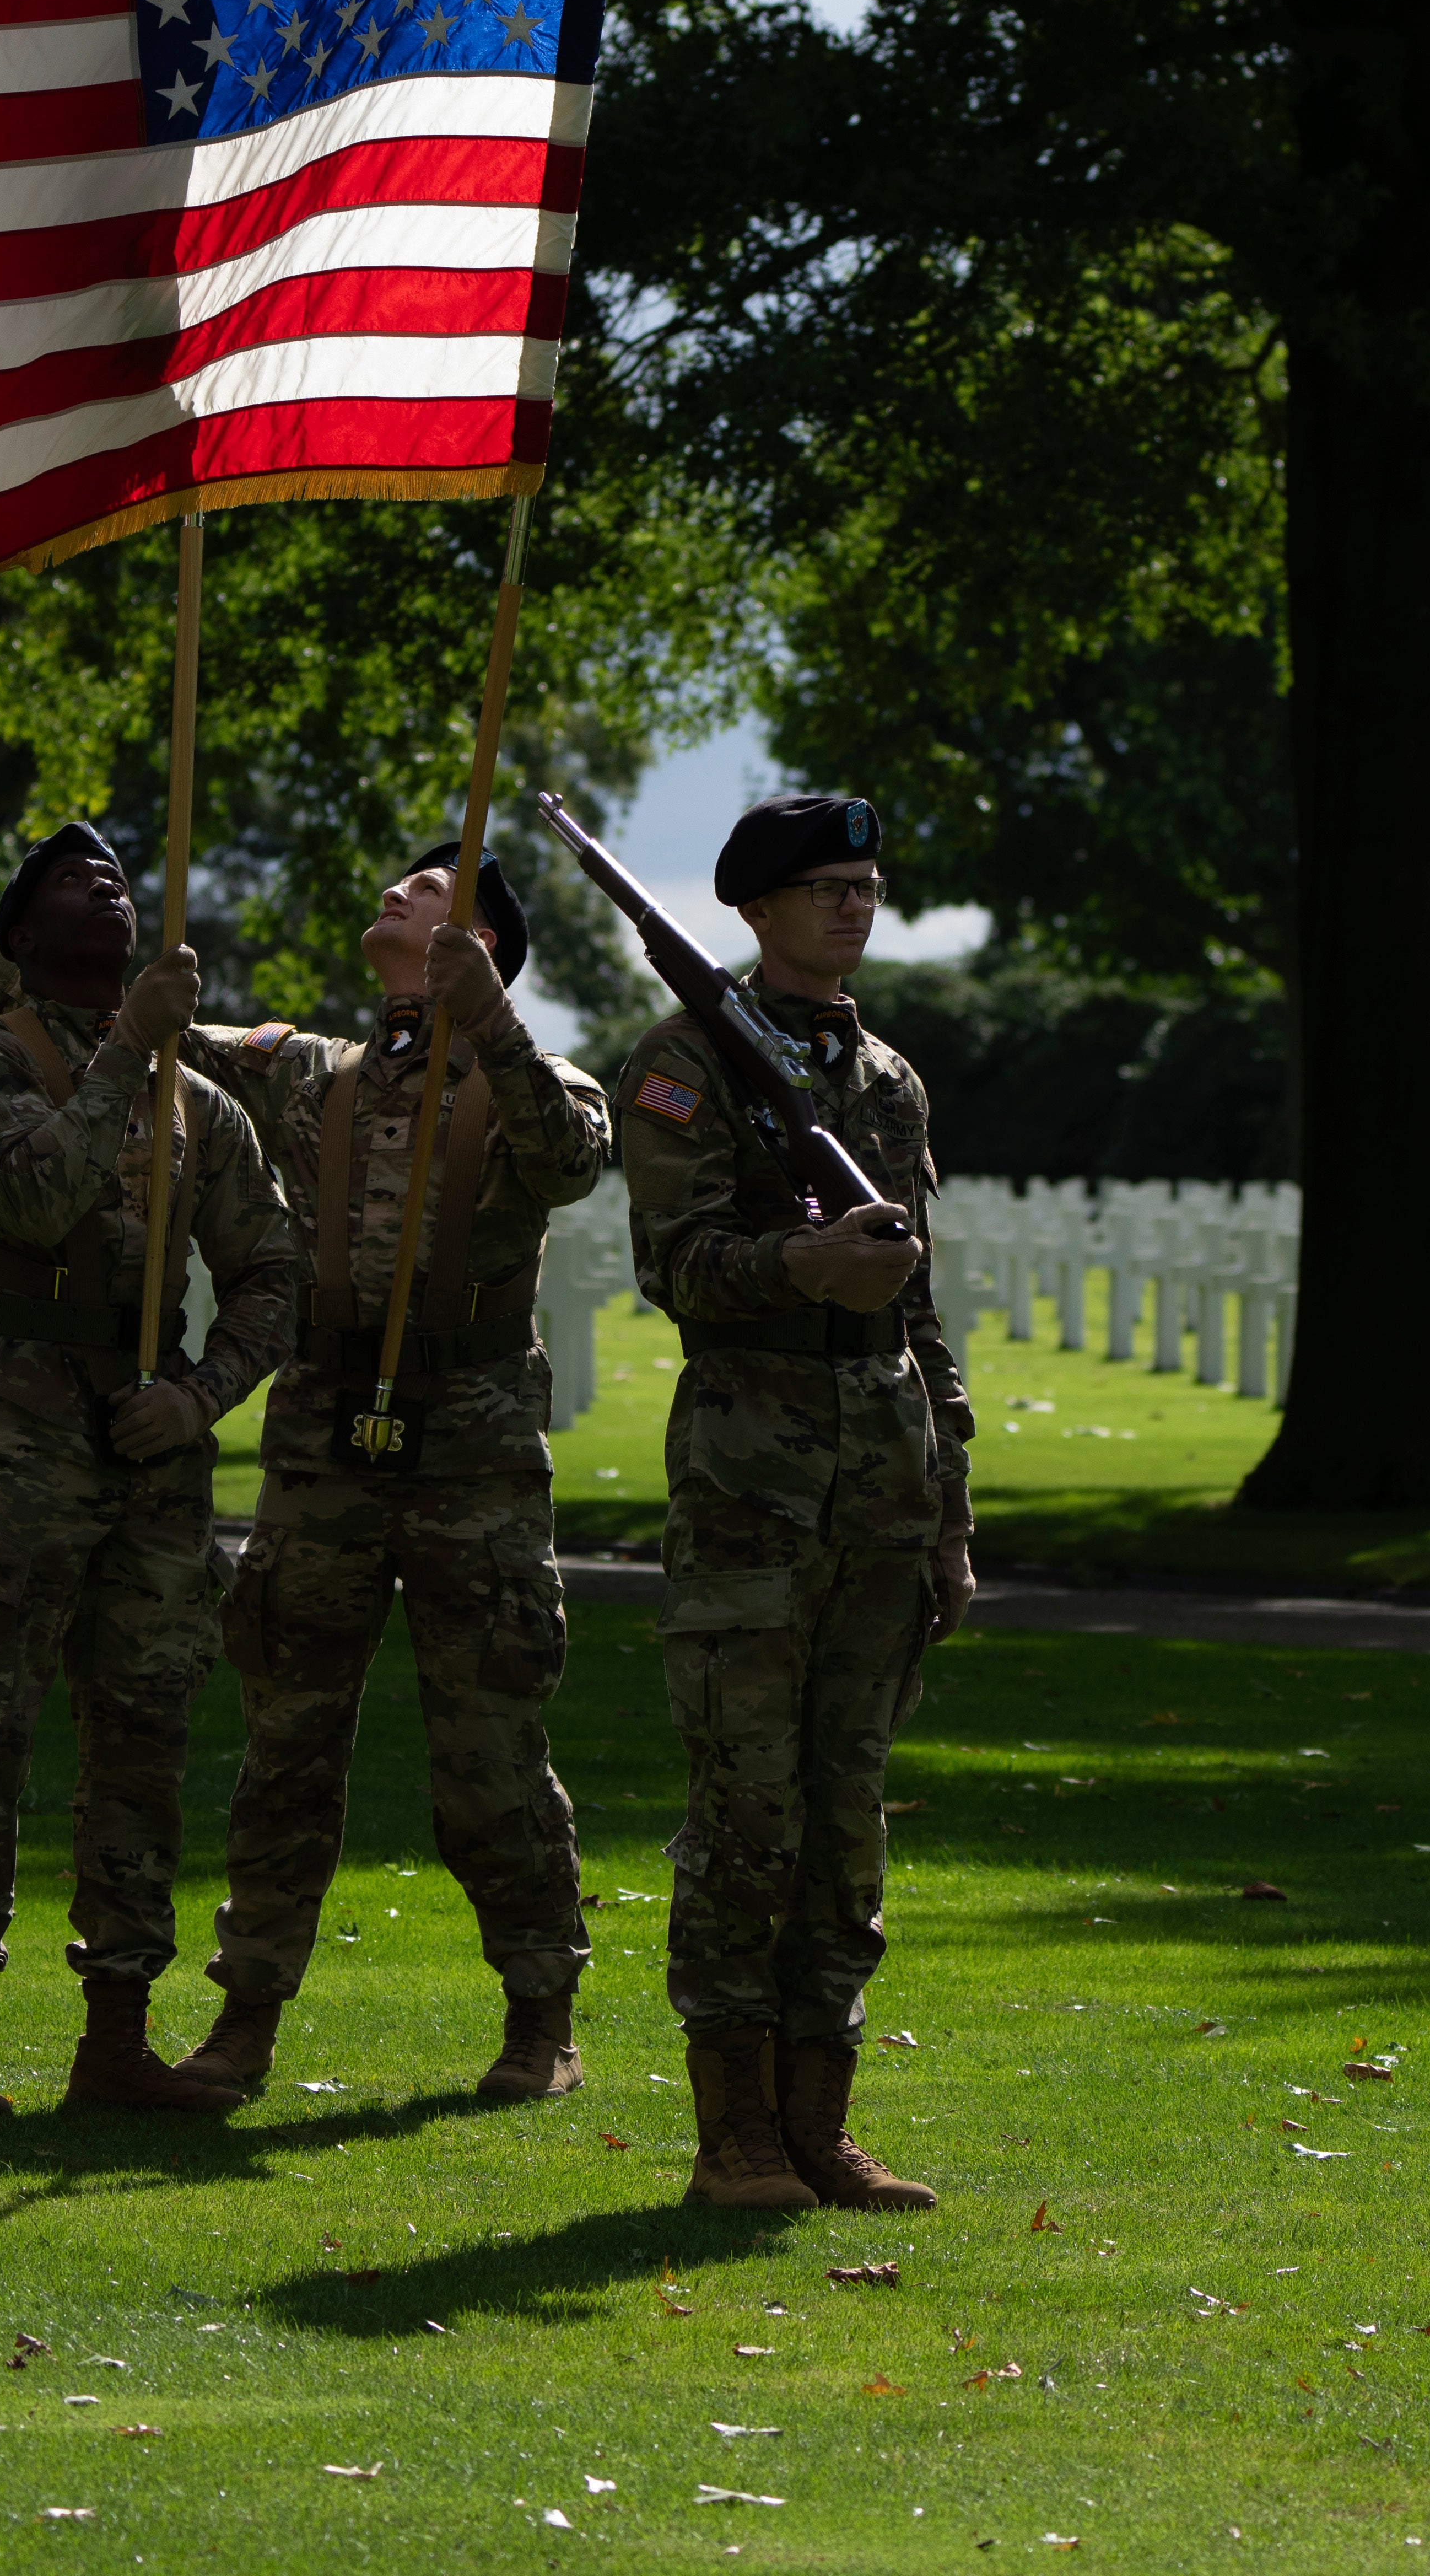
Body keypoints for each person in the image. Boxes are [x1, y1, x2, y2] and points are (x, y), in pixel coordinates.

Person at [0, 824, 305, 2116]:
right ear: (26, 931)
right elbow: (37, 1197)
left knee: (145, 1745)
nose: (106, 891)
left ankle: (117, 2032)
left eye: (120, 879)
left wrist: (202, 1394)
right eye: (72, 884)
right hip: (22, 1435)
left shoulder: (199, 1102)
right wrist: (124, 1055)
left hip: (151, 1448)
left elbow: (274, 1269)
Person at [151, 842, 616, 2107]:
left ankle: (540, 2016)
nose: (396, 894)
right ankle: (244, 2019)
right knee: (288, 1733)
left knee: (491, 1744)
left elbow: (572, 1159)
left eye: (426, 890)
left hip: (471, 1444)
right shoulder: (314, 1072)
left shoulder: (540, 1076)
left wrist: (494, 1019)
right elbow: (164, 1033)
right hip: (324, 1433)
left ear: (482, 942)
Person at [616, 794, 977, 2214]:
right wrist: (798, 1269)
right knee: (746, 1809)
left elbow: (923, 1297)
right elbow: (678, 1263)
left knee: (848, 1815)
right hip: (752, 1468)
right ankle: (736, 2133)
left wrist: (951, 1500)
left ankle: (824, 2119)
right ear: (755, 911)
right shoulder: (684, 1059)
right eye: (823, 887)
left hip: (882, 1478)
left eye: (867, 886)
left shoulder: (887, 1079)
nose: (852, 907)